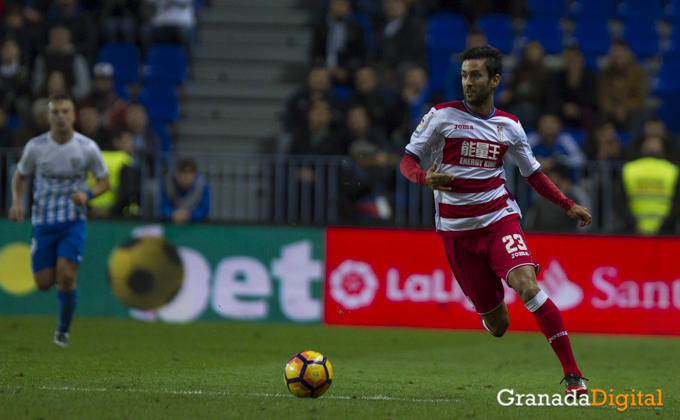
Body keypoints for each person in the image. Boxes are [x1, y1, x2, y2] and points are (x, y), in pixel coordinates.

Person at [399, 46, 592, 395]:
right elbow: (408, 161)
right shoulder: (441, 117)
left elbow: (532, 174)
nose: (467, 82)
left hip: (499, 219)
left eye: (475, 75)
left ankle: (573, 376)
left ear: (495, 80)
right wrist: (423, 178)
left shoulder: (510, 127)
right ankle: (487, 308)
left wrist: (567, 204)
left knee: (528, 286)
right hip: (457, 234)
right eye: (463, 76)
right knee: (499, 323)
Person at [8, 93, 110, 347]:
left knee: (65, 275)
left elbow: (104, 181)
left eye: (66, 111)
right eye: (56, 112)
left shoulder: (87, 148)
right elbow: (20, 176)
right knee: (43, 283)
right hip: (43, 222)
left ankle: (62, 331)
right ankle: (59, 271)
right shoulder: (36, 147)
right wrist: (17, 201)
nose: (61, 117)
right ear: (48, 116)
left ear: (74, 116)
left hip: (72, 222)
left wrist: (87, 195)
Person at [525, 163, 592, 233]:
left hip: (569, 238)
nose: (548, 179)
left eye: (552, 176)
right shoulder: (542, 194)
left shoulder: (577, 194)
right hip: (543, 237)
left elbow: (585, 217)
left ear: (561, 177)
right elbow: (531, 219)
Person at [31, 26, 91, 101]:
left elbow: (83, 87)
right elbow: (36, 86)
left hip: (71, 100)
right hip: (46, 100)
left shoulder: (76, 58)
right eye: (55, 37)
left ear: (68, 39)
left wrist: (68, 95)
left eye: (60, 37)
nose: (58, 39)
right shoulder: (42, 58)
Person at [598, 40, 646, 131]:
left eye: (620, 52)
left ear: (627, 53)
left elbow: (639, 97)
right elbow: (603, 96)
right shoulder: (605, 73)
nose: (617, 55)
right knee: (601, 115)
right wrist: (614, 109)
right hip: (611, 111)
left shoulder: (638, 72)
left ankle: (634, 143)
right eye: (615, 52)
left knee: (635, 116)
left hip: (630, 110)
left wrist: (624, 108)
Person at [160, 158, 210, 224]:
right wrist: (173, 214)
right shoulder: (167, 183)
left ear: (195, 174)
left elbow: (204, 210)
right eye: (182, 171)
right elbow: (163, 208)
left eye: (189, 172)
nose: (186, 176)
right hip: (171, 223)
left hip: (195, 225)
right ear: (176, 173)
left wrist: (189, 214)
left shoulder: (203, 185)